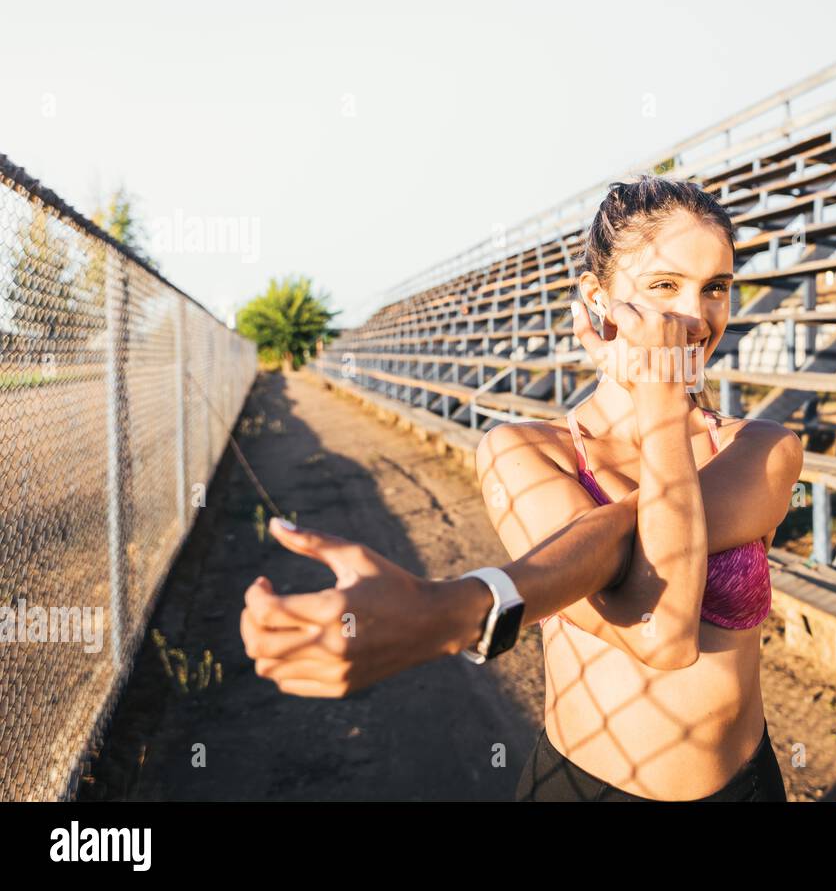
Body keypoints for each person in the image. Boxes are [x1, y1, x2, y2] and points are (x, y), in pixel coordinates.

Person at [240, 175, 803, 802]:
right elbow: (661, 631)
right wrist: (663, 408)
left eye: (717, 288)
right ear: (598, 298)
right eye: (665, 286)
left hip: (749, 785)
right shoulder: (523, 451)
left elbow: (634, 544)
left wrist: (450, 611)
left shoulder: (762, 447)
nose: (696, 318)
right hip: (589, 787)